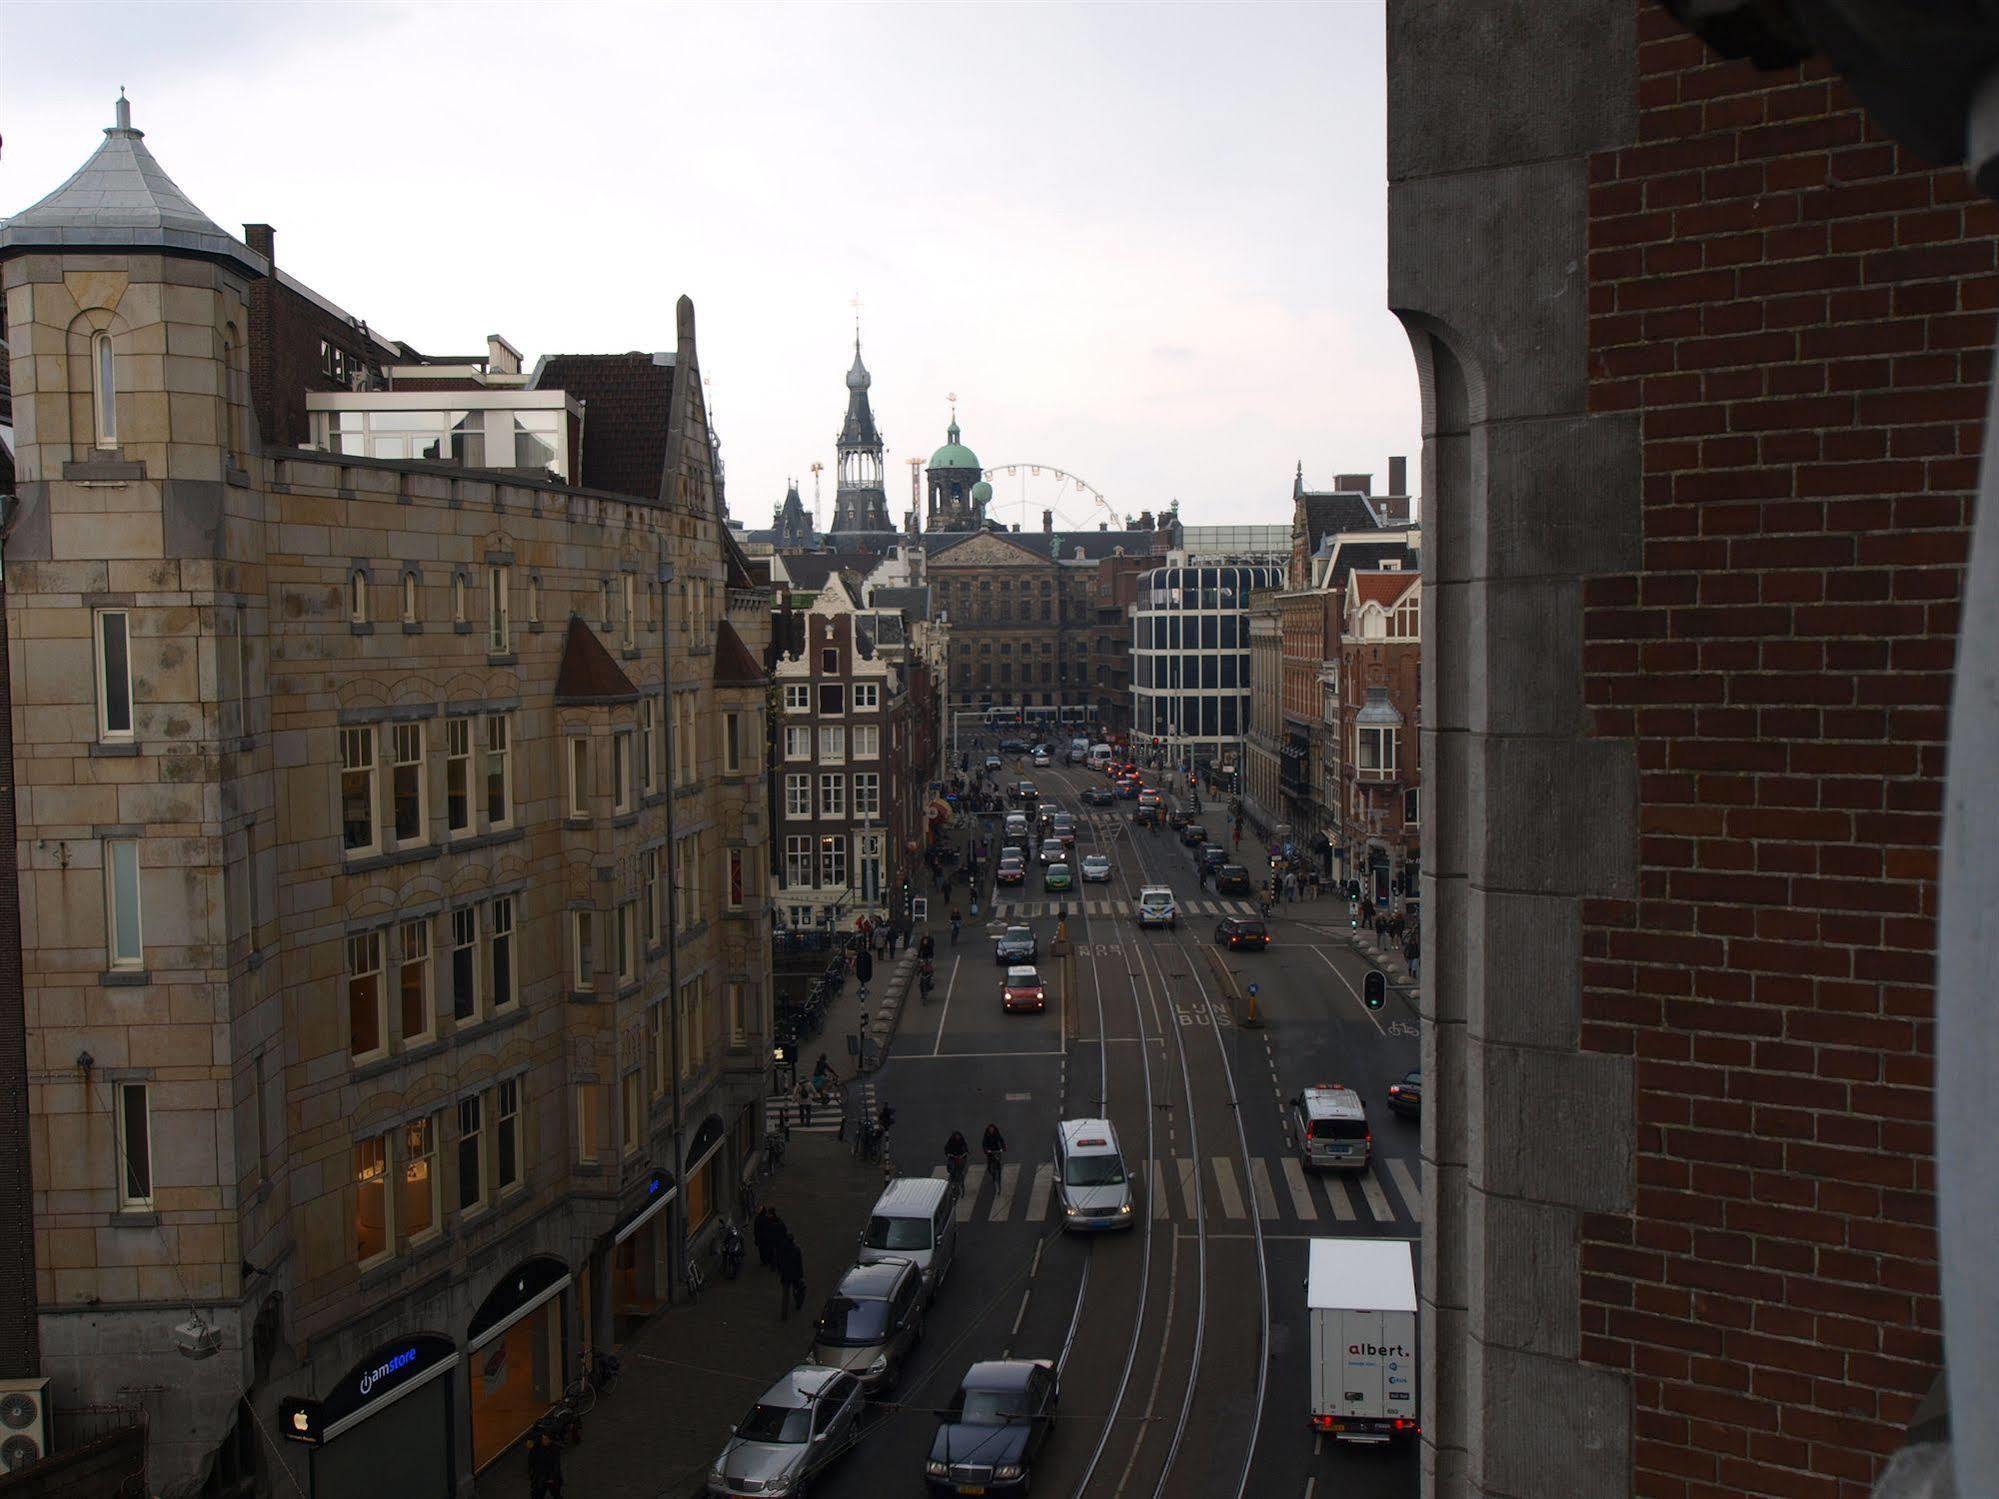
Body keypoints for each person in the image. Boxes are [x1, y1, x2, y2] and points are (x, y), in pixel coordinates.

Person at [528, 1429, 564, 1499]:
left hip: (550, 1477)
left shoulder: (554, 1449)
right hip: (540, 1476)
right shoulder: (538, 1446)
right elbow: (531, 1460)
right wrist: (532, 1473)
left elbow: (556, 1465)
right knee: (537, 1495)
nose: (543, 1440)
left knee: (556, 1494)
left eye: (546, 1439)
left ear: (550, 1440)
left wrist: (552, 1478)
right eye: (543, 1438)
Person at [776, 1234, 806, 1320]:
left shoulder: (781, 1249)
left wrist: (779, 1270)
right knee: (798, 1289)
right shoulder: (796, 1249)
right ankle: (798, 1304)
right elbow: (799, 1263)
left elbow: (779, 1261)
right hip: (795, 1274)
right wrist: (801, 1274)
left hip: (785, 1275)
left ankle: (784, 1314)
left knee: (785, 1295)